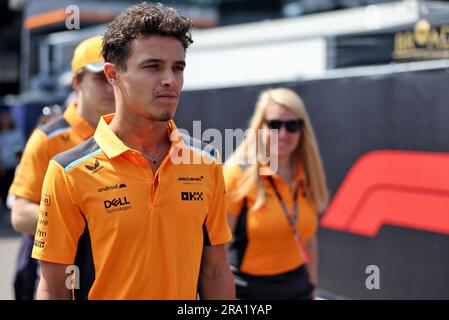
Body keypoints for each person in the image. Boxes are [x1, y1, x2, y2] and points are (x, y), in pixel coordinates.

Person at [32, 2, 235, 300]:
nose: (170, 80)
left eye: (177, 68)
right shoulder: (68, 171)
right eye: (152, 66)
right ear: (113, 75)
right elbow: (53, 286)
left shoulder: (206, 162)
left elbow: (216, 270)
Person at [8, 35, 115, 300]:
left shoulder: (132, 134)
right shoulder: (48, 138)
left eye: (115, 77)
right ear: (76, 82)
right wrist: (85, 222)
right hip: (60, 271)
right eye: (100, 79)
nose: (110, 88)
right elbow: (20, 214)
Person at [224, 87, 329, 300]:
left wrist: (312, 285)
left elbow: (309, 240)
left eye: (292, 126)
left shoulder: (307, 173)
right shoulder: (237, 174)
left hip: (298, 287)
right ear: (260, 127)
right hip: (248, 291)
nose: (283, 134)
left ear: (302, 130)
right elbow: (218, 250)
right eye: (274, 125)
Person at [0, 110, 24, 211]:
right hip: (2, 166)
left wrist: (18, 162)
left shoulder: (17, 132)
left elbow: (20, 147)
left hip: (14, 165)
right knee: (3, 187)